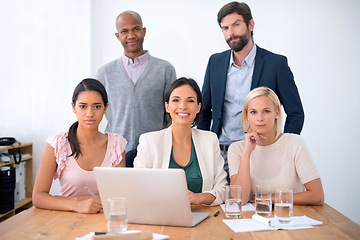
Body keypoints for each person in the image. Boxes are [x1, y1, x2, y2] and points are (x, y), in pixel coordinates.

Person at [197, 1, 304, 179]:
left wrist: (281, 148)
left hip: (259, 152)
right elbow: (205, 110)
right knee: (221, 204)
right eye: (225, 28)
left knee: (256, 204)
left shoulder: (276, 64)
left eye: (236, 25)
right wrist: (203, 147)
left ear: (250, 25)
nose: (231, 33)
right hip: (219, 153)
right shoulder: (215, 62)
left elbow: (296, 113)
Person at [32, 79, 127, 213]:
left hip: (105, 218)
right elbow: (38, 197)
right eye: (83, 106)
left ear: (106, 108)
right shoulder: (57, 144)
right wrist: (75, 205)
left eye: (97, 106)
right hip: (65, 219)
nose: (90, 113)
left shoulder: (116, 144)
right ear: (73, 107)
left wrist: (69, 200)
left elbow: (121, 195)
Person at [96, 11, 176, 167]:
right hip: (116, 152)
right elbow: (98, 111)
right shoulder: (104, 73)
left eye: (136, 29)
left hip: (155, 152)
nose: (131, 35)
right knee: (118, 191)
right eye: (124, 31)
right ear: (117, 35)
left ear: (144, 31)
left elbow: (171, 113)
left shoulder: (165, 69)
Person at [134, 78, 227, 206]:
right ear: (167, 106)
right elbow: (140, 188)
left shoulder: (210, 140)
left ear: (198, 107)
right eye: (176, 100)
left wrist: (199, 198)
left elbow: (222, 189)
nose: (182, 106)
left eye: (190, 101)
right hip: (162, 217)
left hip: (203, 215)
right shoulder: (150, 141)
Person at [228, 87, 324, 205]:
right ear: (247, 115)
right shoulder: (236, 149)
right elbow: (240, 199)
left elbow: (317, 195)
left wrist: (270, 198)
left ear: (276, 113)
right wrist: (246, 153)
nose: (260, 118)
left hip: (291, 217)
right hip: (256, 218)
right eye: (253, 112)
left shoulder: (294, 143)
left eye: (266, 111)